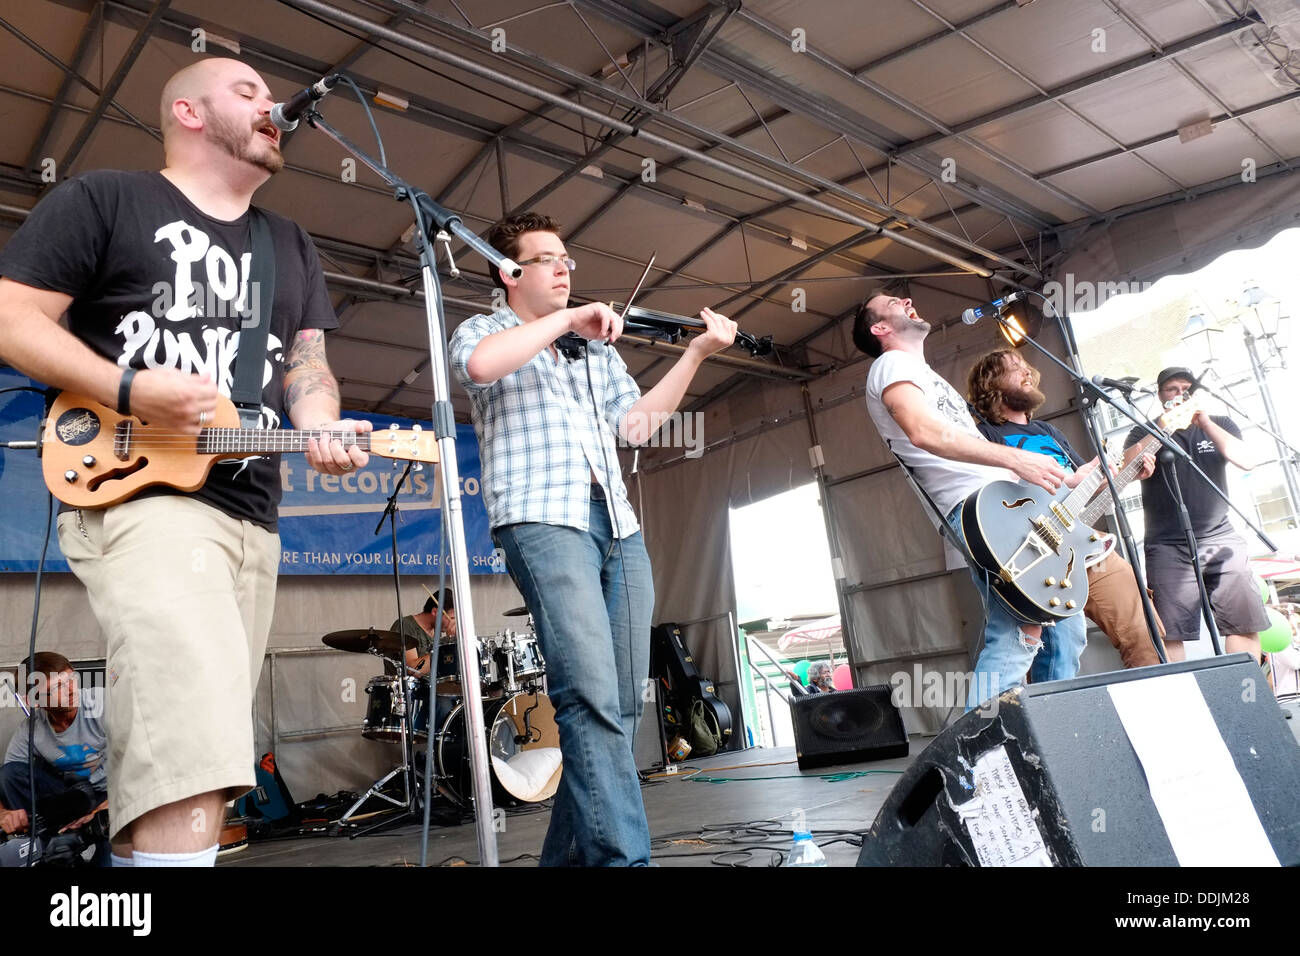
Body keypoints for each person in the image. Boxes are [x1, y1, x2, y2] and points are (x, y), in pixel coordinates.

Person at [0, 58, 368, 866]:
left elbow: (307, 366)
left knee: (187, 748)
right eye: (248, 92)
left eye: (271, 97)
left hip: (253, 515)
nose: (272, 105)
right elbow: (11, 317)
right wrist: (130, 387)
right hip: (142, 498)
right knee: (194, 740)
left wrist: (323, 424)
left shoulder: (288, 242)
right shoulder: (104, 199)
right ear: (188, 111)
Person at [449, 211, 736, 866]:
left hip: (617, 525)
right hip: (544, 520)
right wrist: (568, 320)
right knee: (587, 698)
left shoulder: (591, 350)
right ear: (509, 272)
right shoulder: (489, 328)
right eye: (547, 257)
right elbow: (481, 365)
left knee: (619, 710)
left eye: (566, 259)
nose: (562, 268)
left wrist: (695, 353)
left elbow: (636, 428)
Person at [855, 293, 1089, 711]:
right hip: (977, 509)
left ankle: (1048, 732)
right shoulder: (891, 365)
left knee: (1059, 625)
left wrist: (1087, 475)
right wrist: (1015, 456)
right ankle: (980, 752)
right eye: (894, 300)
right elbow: (924, 432)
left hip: (1002, 503)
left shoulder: (923, 372)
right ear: (880, 328)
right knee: (1019, 632)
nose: (909, 298)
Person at [967, 348, 1166, 668]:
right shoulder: (985, 435)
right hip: (1036, 554)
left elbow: (1083, 488)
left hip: (1082, 542)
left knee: (1144, 629)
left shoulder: (1048, 433)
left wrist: (1127, 475)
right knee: (1061, 652)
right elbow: (996, 501)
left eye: (1026, 365)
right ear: (991, 384)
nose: (1027, 371)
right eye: (1014, 367)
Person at [1123, 367, 1269, 663]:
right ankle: (1183, 695)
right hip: (1166, 543)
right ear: (1160, 395)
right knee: (1171, 630)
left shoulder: (1220, 423)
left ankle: (1245, 694)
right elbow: (1125, 471)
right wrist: (1164, 428)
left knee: (1242, 621)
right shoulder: (1144, 430)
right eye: (1172, 389)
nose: (1180, 394)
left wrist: (1204, 422)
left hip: (1220, 534)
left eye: (1186, 389)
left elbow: (1248, 460)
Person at [0, 652, 107, 841]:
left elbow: (147, 768)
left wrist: (100, 812)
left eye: (71, 679)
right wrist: (4, 814)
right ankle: (40, 843)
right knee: (10, 773)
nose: (71, 690)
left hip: (115, 796)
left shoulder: (104, 704)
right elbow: (6, 779)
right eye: (57, 687)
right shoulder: (31, 730)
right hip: (72, 797)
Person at [389, 588, 456, 678]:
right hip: (405, 691)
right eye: (452, 618)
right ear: (435, 612)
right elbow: (414, 670)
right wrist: (448, 642)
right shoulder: (405, 626)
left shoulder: (436, 630)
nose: (454, 623)